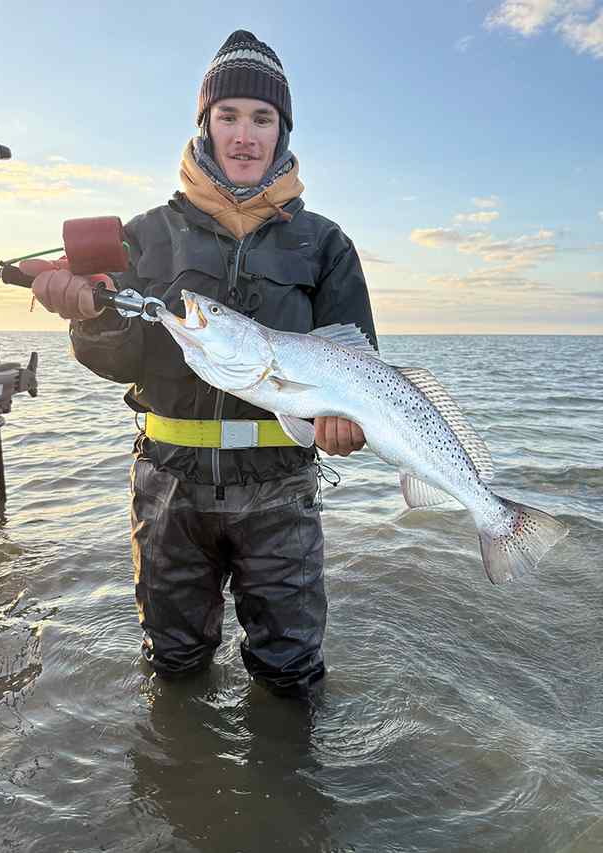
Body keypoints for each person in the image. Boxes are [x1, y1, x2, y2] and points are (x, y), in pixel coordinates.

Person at [23, 30, 378, 698]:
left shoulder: (325, 244)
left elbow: (360, 368)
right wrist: (90, 316)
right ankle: (176, 794)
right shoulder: (149, 233)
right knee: (173, 668)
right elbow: (120, 357)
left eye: (262, 118)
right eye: (229, 116)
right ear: (206, 124)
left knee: (291, 677)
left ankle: (288, 796)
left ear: (282, 130)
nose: (244, 135)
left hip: (282, 491)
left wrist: (346, 423)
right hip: (169, 488)